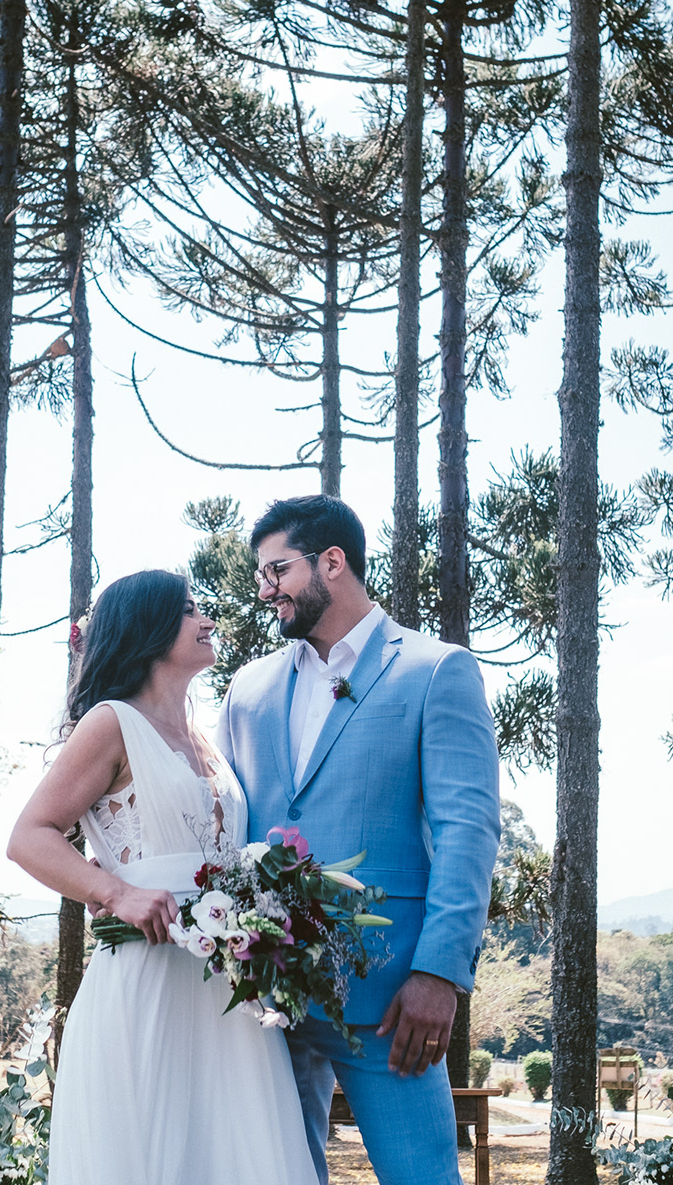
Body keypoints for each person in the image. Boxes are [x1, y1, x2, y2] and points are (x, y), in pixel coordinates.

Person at [218, 494, 502, 1185]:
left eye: (277, 570)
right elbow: (221, 819)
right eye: (260, 575)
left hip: (390, 999)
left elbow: (468, 831)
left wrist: (439, 974)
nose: (265, 589)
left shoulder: (437, 670)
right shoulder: (247, 689)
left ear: (332, 562)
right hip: (264, 997)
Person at [8, 569, 319, 1185]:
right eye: (189, 611)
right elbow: (28, 837)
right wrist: (114, 891)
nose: (208, 621)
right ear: (148, 628)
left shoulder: (206, 740)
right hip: (147, 979)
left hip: (227, 996)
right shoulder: (111, 723)